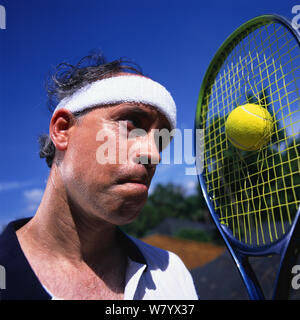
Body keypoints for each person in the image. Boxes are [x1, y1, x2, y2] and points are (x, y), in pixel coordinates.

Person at [0, 53, 198, 300]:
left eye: (162, 140)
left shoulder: (173, 274)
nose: (153, 154)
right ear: (62, 130)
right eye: (132, 123)